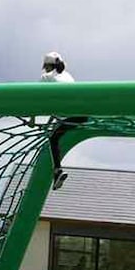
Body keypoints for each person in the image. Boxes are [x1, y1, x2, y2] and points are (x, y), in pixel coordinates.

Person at [39, 52, 87, 191]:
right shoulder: (68, 76)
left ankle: (57, 170)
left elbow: (34, 98)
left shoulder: (46, 77)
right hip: (82, 115)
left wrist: (32, 119)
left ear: (48, 66)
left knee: (53, 139)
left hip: (69, 116)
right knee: (56, 133)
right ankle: (57, 172)